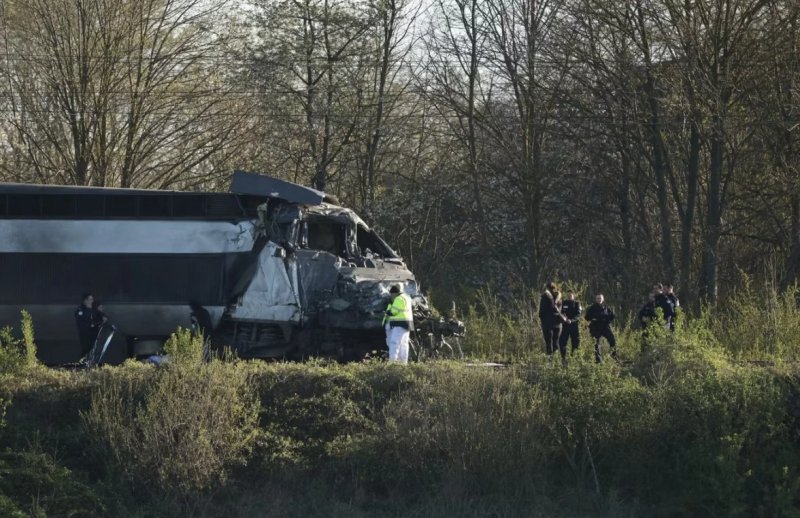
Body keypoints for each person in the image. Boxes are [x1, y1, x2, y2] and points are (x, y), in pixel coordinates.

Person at [383, 285, 414, 364]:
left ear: (394, 293)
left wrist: (386, 312)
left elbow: (394, 311)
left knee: (394, 342)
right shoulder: (407, 298)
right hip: (407, 323)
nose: (391, 296)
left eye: (391, 294)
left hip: (399, 323)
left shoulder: (398, 299)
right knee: (404, 344)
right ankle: (403, 363)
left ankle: (392, 363)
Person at [584, 293, 617, 362]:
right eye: (597, 298)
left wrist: (607, 320)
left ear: (603, 299)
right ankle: (598, 360)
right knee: (596, 344)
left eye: (600, 298)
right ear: (596, 299)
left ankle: (613, 356)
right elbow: (587, 317)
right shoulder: (592, 308)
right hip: (595, 327)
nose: (599, 300)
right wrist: (593, 319)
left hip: (605, 326)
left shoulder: (606, 307)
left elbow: (612, 316)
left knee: (612, 339)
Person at [539, 282, 566, 359]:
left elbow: (542, 311)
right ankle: (556, 359)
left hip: (548, 323)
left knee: (549, 342)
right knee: (556, 341)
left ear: (547, 288)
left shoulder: (545, 296)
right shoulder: (559, 296)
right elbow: (562, 309)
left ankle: (550, 359)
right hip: (558, 323)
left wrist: (542, 319)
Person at [74, 293, 97, 360]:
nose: (92, 301)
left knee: (91, 349)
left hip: (92, 333)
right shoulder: (81, 310)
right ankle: (82, 363)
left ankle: (87, 363)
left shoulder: (92, 310)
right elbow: (83, 322)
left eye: (92, 299)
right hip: (85, 334)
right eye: (90, 299)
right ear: (85, 300)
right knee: (86, 349)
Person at [559, 289, 582, 356]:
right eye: (568, 295)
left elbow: (578, 315)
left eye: (570, 295)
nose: (569, 296)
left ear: (573, 295)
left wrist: (571, 321)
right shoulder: (563, 303)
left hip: (574, 326)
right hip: (565, 326)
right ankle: (563, 358)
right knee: (562, 342)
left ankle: (573, 357)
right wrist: (563, 317)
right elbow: (560, 312)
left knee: (575, 343)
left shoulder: (577, 303)